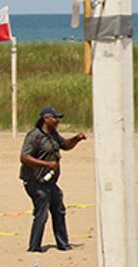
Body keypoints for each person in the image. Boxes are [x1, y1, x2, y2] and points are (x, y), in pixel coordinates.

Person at [19, 107, 87, 252]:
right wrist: (46, 164)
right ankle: (34, 247)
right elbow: (24, 157)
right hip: (35, 182)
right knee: (42, 213)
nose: (57, 121)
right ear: (46, 118)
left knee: (59, 210)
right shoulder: (34, 135)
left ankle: (63, 244)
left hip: (50, 183)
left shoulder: (53, 134)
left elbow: (65, 145)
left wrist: (76, 139)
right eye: (55, 118)